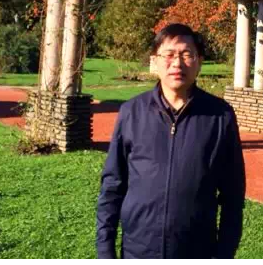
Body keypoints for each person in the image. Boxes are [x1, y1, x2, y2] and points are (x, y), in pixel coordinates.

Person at [96, 23, 246, 259]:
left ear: (199, 62)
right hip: (138, 250)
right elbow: (112, 187)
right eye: (169, 55)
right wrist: (105, 252)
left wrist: (224, 254)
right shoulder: (132, 112)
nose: (177, 63)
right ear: (154, 61)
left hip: (197, 251)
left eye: (187, 55)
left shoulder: (220, 116)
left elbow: (233, 195)